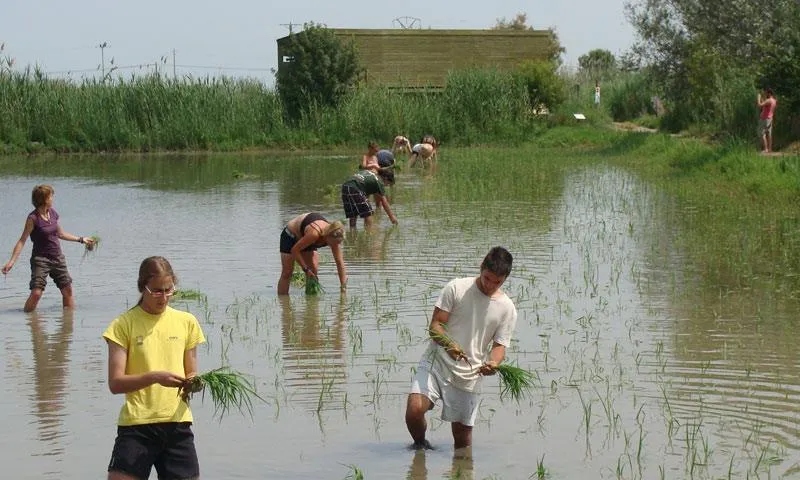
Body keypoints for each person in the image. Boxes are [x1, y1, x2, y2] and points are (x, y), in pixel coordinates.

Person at [103, 256, 206, 480]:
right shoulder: (122, 325)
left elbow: (191, 372)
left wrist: (194, 382)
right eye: (157, 291)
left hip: (177, 424)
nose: (164, 297)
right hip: (137, 426)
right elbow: (115, 383)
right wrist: (154, 377)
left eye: (169, 290)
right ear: (143, 287)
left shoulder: (187, 322)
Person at [405, 246, 517, 450]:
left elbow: (499, 346)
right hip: (436, 362)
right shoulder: (456, 288)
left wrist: (494, 363)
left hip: (470, 373)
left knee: (462, 440)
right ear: (481, 267)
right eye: (487, 278)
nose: (490, 285)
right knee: (414, 409)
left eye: (497, 282)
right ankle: (420, 448)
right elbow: (436, 326)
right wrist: (448, 344)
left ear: (505, 279)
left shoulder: (507, 308)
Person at [2, 184, 96, 312]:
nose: (53, 199)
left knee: (67, 291)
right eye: (51, 196)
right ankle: (28, 320)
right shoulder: (33, 218)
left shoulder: (52, 213)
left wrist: (81, 239)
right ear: (44, 199)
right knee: (36, 293)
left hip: (57, 258)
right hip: (40, 260)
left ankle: (67, 325)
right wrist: (11, 262)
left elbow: (60, 234)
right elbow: (22, 240)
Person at [278, 212, 347, 294]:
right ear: (327, 236)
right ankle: (283, 301)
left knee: (313, 272)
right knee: (287, 272)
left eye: (338, 243)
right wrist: (306, 269)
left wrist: (343, 287)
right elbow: (294, 250)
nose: (335, 246)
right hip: (291, 236)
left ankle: (311, 304)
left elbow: (340, 263)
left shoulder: (336, 239)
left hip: (305, 236)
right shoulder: (314, 234)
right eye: (334, 243)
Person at [758, 88, 777, 153]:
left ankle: (765, 149)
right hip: (770, 118)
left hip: (764, 119)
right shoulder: (774, 100)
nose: (765, 94)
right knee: (769, 134)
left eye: (766, 93)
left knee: (762, 134)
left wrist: (758, 98)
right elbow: (766, 106)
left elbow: (759, 105)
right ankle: (770, 149)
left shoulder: (768, 100)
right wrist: (763, 100)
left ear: (769, 93)